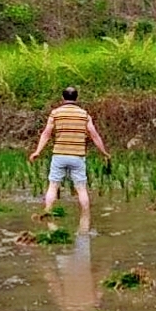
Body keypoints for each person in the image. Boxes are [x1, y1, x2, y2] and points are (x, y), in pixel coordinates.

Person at [28, 87, 112, 217]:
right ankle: (85, 216)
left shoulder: (55, 113)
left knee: (53, 186)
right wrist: (104, 152)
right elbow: (94, 135)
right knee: (81, 188)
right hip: (77, 156)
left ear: (63, 98)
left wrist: (37, 151)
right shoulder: (84, 115)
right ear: (77, 98)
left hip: (59, 155)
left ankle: (47, 212)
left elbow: (46, 134)